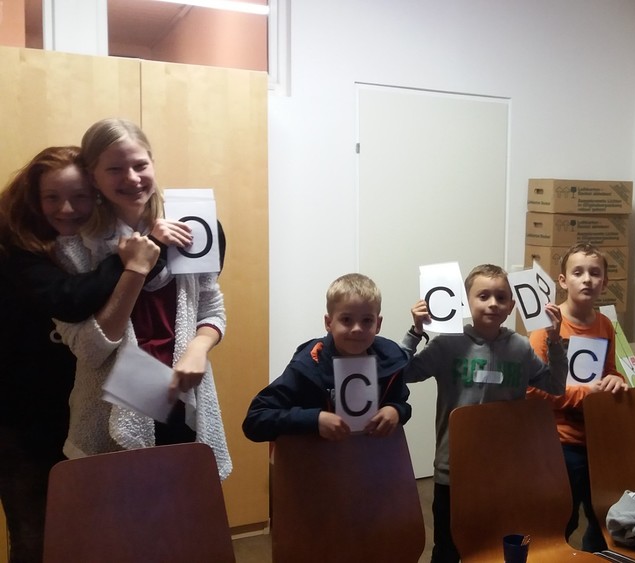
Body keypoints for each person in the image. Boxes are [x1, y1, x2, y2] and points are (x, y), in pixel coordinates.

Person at [0, 146, 162, 563]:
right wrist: (131, 261)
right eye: (52, 197)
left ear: (98, 196)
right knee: (37, 537)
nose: (67, 208)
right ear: (33, 199)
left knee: (94, 533)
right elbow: (69, 299)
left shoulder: (94, 244)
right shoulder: (17, 250)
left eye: (80, 196)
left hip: (82, 409)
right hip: (24, 421)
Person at [53, 118, 233, 478]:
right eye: (115, 169)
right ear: (93, 176)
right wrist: (141, 259)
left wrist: (199, 348)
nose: (132, 178)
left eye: (140, 165)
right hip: (109, 410)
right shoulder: (75, 248)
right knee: (117, 510)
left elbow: (211, 307)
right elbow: (90, 349)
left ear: (153, 162)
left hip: (180, 398)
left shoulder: (193, 224)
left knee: (185, 507)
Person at [403, 263, 568, 563]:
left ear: (511, 306)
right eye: (483, 296)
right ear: (466, 302)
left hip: (502, 471)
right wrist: (415, 332)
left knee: (492, 544)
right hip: (453, 468)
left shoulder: (520, 348)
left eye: (501, 297)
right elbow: (404, 373)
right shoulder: (447, 344)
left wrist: (555, 341)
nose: (493, 303)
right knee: (447, 547)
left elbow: (555, 386)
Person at [526, 242, 627, 552]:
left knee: (602, 517)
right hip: (560, 442)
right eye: (578, 273)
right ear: (563, 280)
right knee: (561, 520)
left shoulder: (605, 325)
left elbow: (610, 371)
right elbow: (533, 391)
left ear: (605, 282)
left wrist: (616, 380)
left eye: (595, 273)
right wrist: (586, 394)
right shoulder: (545, 329)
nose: (587, 280)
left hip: (598, 439)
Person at [242, 273, 412, 442]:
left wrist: (396, 410)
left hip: (374, 456)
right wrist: (314, 420)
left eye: (367, 320)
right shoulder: (308, 364)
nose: (357, 329)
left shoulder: (391, 360)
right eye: (346, 319)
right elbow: (255, 419)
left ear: (378, 324)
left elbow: (401, 402)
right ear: (329, 323)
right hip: (318, 457)